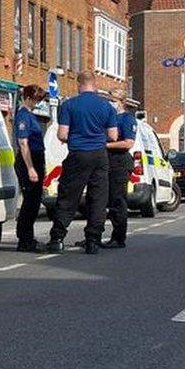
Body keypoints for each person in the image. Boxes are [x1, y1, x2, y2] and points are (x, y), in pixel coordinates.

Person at [46, 72, 118, 255]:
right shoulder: (107, 107)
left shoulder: (69, 105)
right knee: (98, 198)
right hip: (100, 155)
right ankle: (93, 240)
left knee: (68, 196)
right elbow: (113, 136)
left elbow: (62, 134)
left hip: (78, 153)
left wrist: (74, 136)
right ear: (95, 85)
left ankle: (57, 238)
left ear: (79, 84)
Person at [13, 85, 48, 252]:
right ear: (28, 98)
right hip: (29, 160)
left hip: (36, 159)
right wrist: (31, 168)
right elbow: (23, 143)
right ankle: (24, 240)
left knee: (34, 202)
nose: (38, 103)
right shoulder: (23, 116)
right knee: (30, 202)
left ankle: (28, 238)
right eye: (37, 99)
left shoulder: (30, 115)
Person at [100, 89, 136, 248]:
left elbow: (128, 143)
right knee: (99, 200)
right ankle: (94, 235)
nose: (109, 102)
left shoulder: (127, 119)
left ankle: (118, 237)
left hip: (119, 162)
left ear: (121, 101)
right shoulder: (108, 117)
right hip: (105, 161)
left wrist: (106, 144)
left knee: (117, 201)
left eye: (112, 99)